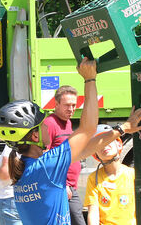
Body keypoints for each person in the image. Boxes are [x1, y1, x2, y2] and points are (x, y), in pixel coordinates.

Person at [0, 58, 141, 225]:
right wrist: (89, 79)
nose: (47, 126)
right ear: (35, 137)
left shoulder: (25, 168)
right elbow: (88, 129)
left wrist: (122, 129)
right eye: (42, 125)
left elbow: (86, 148)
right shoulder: (47, 166)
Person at [84, 125, 141, 225]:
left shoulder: (134, 175)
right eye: (99, 144)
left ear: (119, 145)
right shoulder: (94, 179)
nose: (103, 146)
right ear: (95, 154)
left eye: (107, 141)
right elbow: (93, 213)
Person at [43, 84, 86, 225]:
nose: (71, 109)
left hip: (68, 187)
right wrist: (61, 185)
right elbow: (44, 160)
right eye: (67, 105)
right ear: (56, 104)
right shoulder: (49, 123)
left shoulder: (67, 122)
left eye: (74, 105)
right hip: (61, 187)